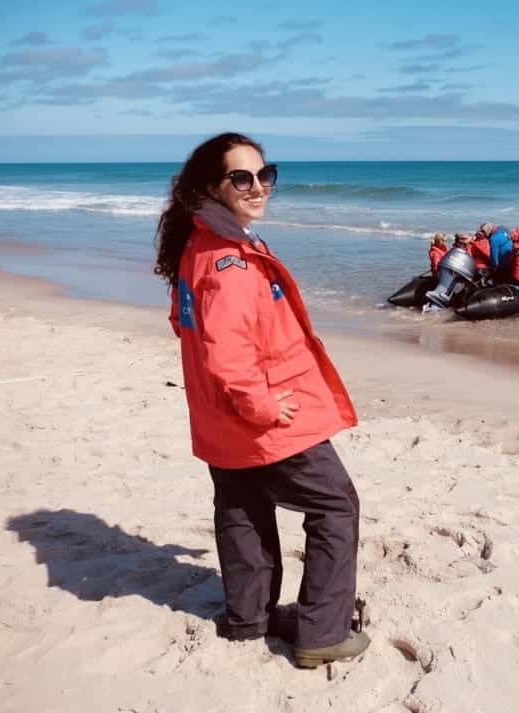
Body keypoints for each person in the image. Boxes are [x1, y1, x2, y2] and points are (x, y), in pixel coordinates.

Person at [154, 132, 370, 669]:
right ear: (212, 186)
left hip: (220, 418)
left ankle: (248, 618)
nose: (258, 187)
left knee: (243, 506)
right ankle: (322, 632)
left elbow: (193, 330)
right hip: (262, 416)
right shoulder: (226, 260)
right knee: (336, 505)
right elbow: (228, 356)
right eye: (241, 177)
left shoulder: (202, 246)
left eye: (264, 175)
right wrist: (266, 408)